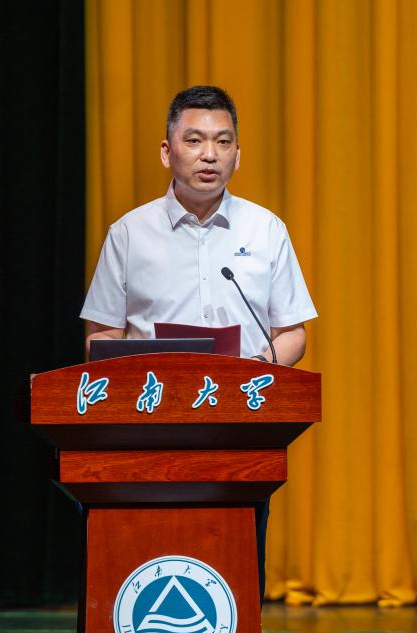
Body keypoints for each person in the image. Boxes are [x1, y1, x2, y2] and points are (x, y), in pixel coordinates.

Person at [80, 85, 317, 597]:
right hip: (149, 431)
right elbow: (102, 335)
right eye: (194, 140)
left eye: (222, 142)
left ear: (238, 155)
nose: (210, 154)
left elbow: (292, 331)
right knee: (147, 557)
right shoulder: (129, 233)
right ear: (168, 152)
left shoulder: (266, 229)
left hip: (238, 430)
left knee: (236, 567)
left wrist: (257, 366)